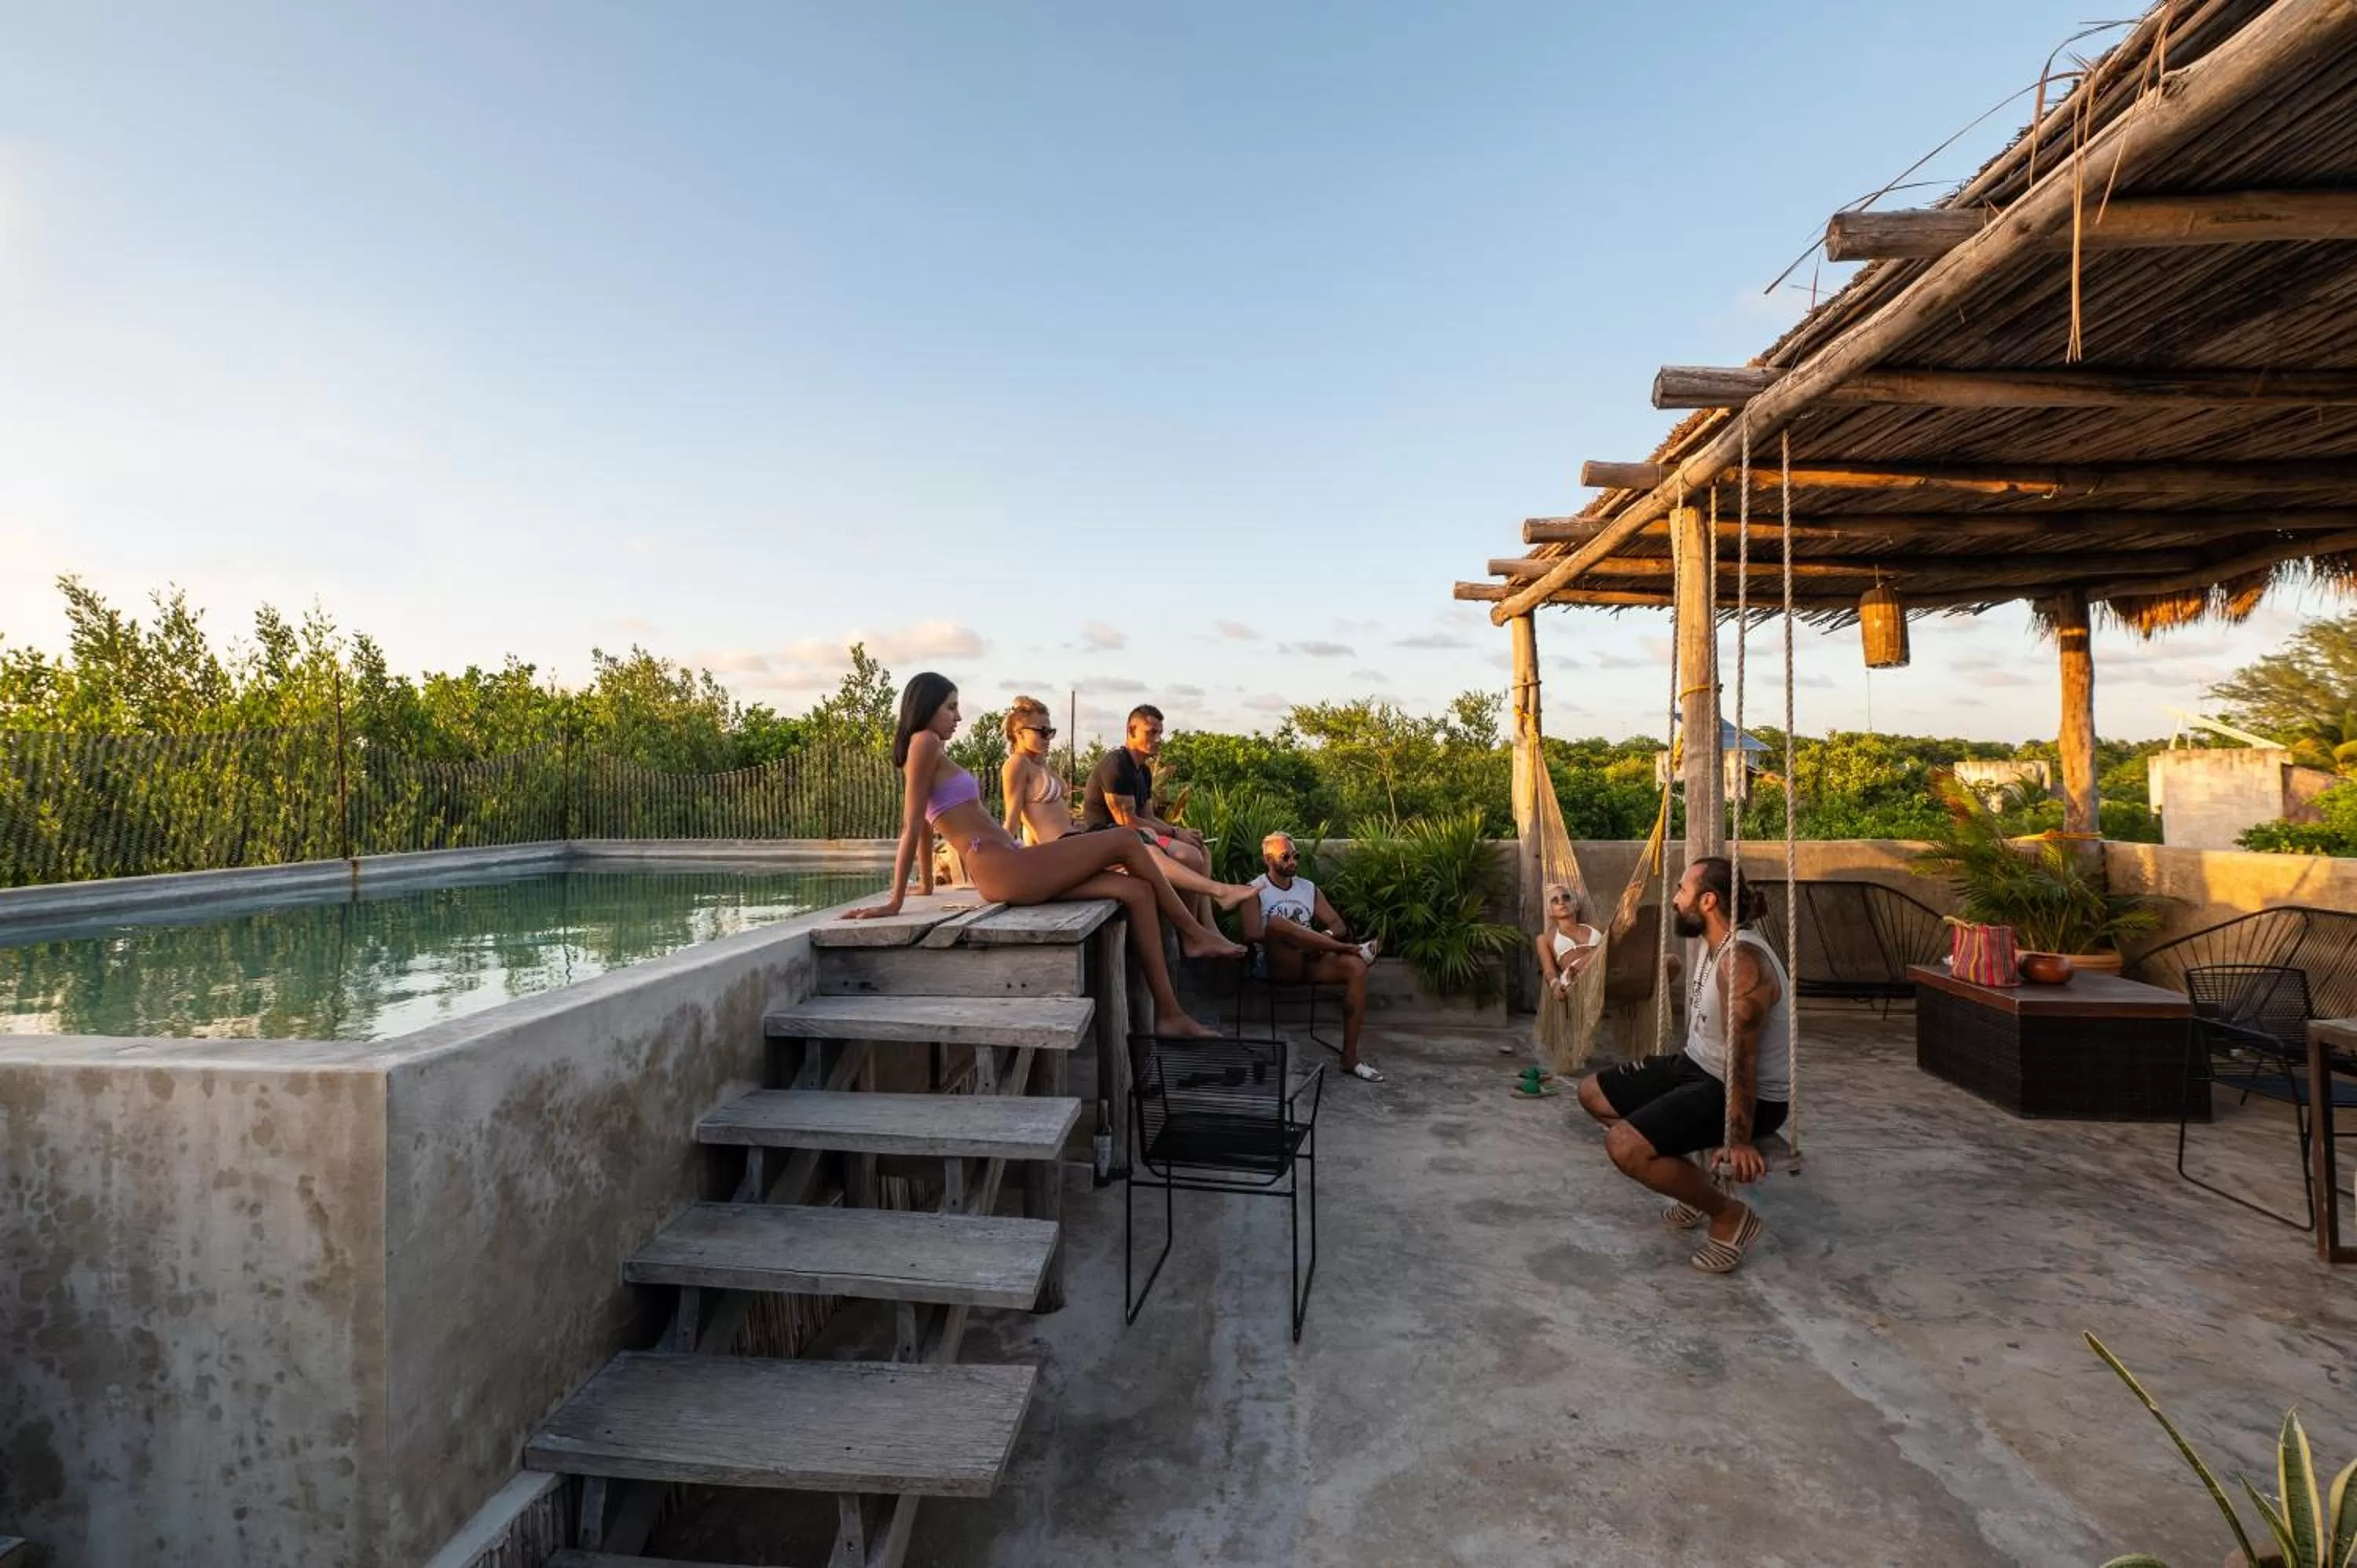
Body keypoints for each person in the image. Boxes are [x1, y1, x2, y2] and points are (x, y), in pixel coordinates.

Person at [846, 673, 1240, 1038]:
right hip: (1003, 869)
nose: (959, 717)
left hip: (1012, 863)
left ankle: (1169, 1014)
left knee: (1137, 890)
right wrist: (895, 901)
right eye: (950, 707)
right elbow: (911, 824)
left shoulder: (929, 750)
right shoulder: (925, 742)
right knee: (1125, 839)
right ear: (925, 706)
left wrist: (927, 885)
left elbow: (924, 821)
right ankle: (1193, 933)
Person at [1574, 855, 1790, 1273]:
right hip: (1696, 1067)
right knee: (1593, 1093)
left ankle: (1728, 1216)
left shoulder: (1742, 964)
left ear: (1708, 901)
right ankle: (1694, 1189)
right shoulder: (1715, 944)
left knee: (1625, 1145)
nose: (1674, 900)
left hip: (1744, 1092)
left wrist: (1739, 1140)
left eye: (1681, 890)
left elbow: (1743, 1059)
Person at [1003, 695, 1255, 910]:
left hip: (1075, 839)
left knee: (1176, 854)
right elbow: (1014, 820)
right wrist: (1009, 866)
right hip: (1071, 846)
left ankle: (1203, 927)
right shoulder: (1018, 765)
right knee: (1157, 849)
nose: (1049, 737)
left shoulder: (1041, 765)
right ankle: (1217, 895)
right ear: (1019, 733)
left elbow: (1039, 821)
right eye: (1042, 731)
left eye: (1051, 731)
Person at [1239, 831, 1384, 1083]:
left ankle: (1350, 1058)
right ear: (1268, 860)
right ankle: (1351, 948)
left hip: (1309, 960)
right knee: (1277, 924)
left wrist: (1318, 938)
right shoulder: (1254, 890)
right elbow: (1251, 933)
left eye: (1295, 856)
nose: (1292, 861)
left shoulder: (1308, 888)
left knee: (1356, 968)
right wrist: (1292, 934)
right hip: (1276, 963)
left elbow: (1337, 925)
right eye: (1285, 857)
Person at [1083, 705, 1219, 918]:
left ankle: (1206, 924)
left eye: (1160, 733)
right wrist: (1175, 833)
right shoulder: (1117, 765)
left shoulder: (1144, 771)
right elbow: (1128, 822)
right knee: (1190, 857)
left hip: (1140, 838)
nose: (1157, 739)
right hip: (1109, 844)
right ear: (1131, 730)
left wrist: (1181, 833)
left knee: (1202, 851)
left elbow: (1148, 817)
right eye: (1151, 732)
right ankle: (1189, 929)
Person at [1528, 882, 1604, 1060]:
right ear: (1551, 912)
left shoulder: (1596, 928)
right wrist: (1555, 986)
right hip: (1575, 980)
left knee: (1667, 960)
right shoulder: (1545, 939)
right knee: (1600, 951)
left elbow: (1614, 942)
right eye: (1555, 901)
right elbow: (1549, 971)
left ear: (1575, 904)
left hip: (1603, 969)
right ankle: (1584, 963)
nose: (1561, 902)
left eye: (1566, 898)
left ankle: (1586, 962)